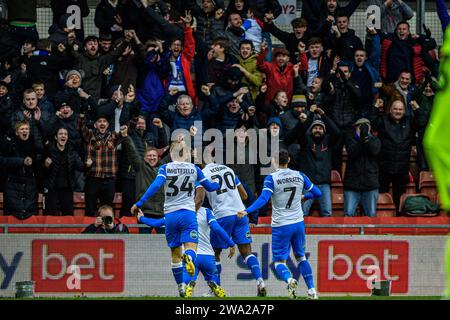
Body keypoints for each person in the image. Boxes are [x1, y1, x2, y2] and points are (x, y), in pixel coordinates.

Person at [131, 139, 219, 297]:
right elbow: (210, 187)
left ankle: (180, 287)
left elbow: (156, 186)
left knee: (175, 254)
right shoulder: (194, 169)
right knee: (191, 248)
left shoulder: (165, 168)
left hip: (170, 215)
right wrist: (217, 184)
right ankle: (189, 258)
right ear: (187, 154)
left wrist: (140, 202)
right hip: (188, 214)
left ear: (171, 154)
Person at [238, 149, 321, 299]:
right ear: (288, 160)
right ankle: (312, 291)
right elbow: (318, 193)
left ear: (274, 161)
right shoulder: (300, 176)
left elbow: (263, 199)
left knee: (278, 262)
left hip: (281, 225)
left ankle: (289, 280)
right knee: (301, 257)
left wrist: (247, 210)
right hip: (298, 223)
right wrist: (304, 196)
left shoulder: (272, 178)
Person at [195, 155, 268, 297]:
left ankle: (215, 288)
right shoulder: (228, 169)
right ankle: (260, 281)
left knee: (214, 254)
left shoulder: (202, 174)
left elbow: (200, 198)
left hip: (223, 214)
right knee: (247, 252)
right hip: (240, 213)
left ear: (201, 164)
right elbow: (245, 195)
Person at [137, 206, 235, 297]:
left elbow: (156, 223)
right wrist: (231, 243)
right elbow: (217, 228)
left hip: (190, 255)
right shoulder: (206, 211)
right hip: (208, 256)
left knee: (185, 283)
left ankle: (189, 285)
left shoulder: (176, 213)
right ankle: (214, 284)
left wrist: (141, 218)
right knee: (213, 278)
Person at [1, 120, 43, 219]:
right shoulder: (10, 145)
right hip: (13, 183)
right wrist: (21, 162)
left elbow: (42, 157)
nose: (25, 131)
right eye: (22, 129)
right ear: (17, 132)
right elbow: (3, 160)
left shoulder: (35, 145)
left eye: (27, 129)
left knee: (30, 215)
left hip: (30, 184)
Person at [43, 127, 85, 216]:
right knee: (50, 215)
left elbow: (81, 167)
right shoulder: (49, 150)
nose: (63, 136)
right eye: (60, 134)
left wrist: (88, 164)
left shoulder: (72, 151)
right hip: (52, 188)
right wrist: (45, 165)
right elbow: (40, 169)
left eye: (65, 134)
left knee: (68, 215)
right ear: (56, 137)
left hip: (67, 188)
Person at [343, 118, 381, 217]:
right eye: (360, 127)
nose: (363, 129)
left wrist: (366, 138)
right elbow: (352, 153)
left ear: (370, 128)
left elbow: (374, 151)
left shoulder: (375, 140)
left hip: (370, 183)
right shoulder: (350, 139)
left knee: (371, 215)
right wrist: (361, 139)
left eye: (366, 126)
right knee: (349, 214)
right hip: (352, 183)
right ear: (356, 128)